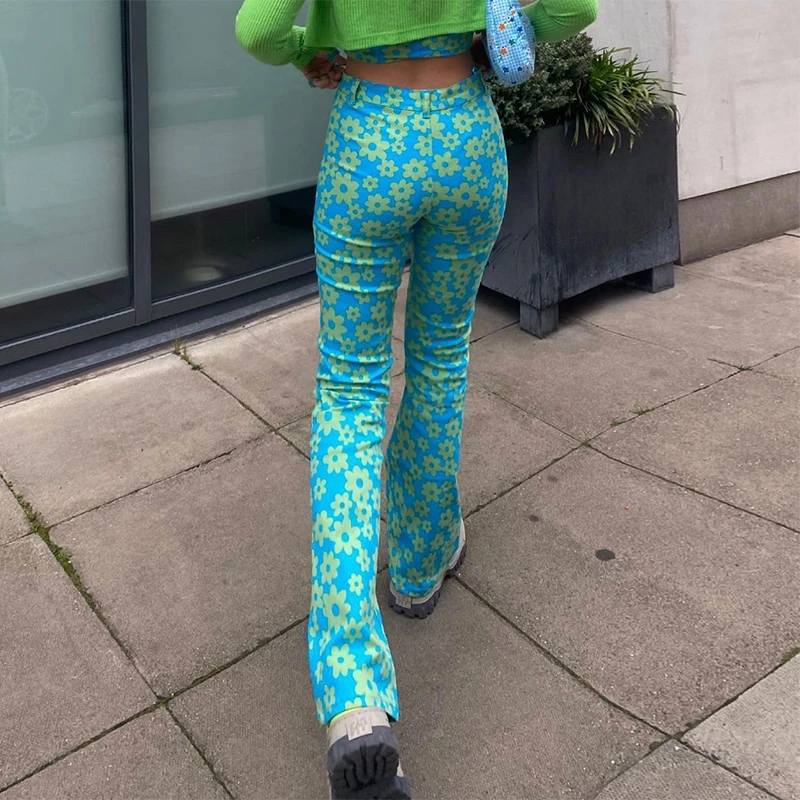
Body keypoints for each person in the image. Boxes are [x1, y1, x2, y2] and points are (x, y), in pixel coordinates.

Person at [235, 1, 597, 796]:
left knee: (350, 390)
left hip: (370, 141)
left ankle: (353, 699)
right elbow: (576, 7)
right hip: (466, 139)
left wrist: (309, 49)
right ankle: (423, 563)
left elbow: (257, 29)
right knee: (439, 360)